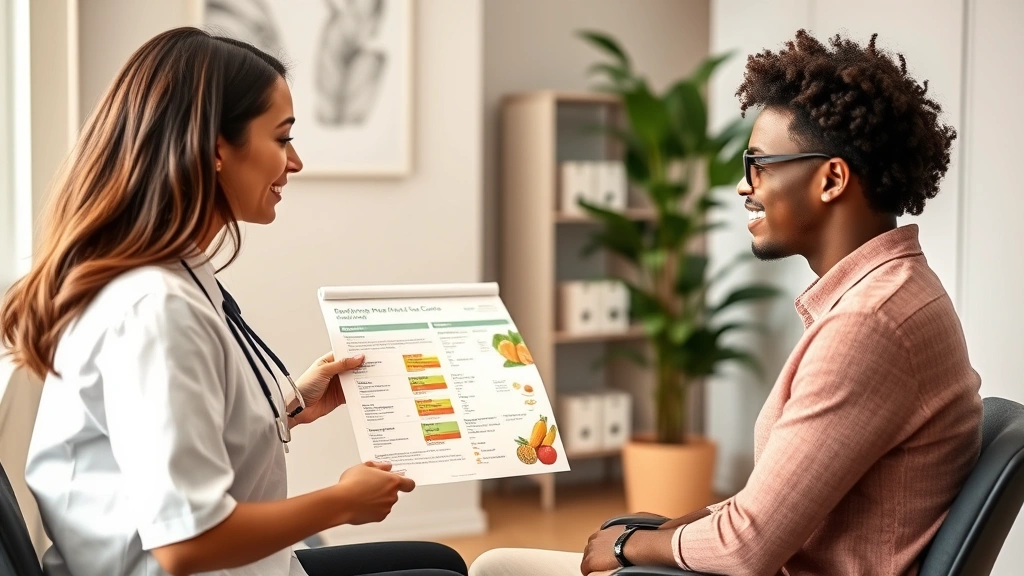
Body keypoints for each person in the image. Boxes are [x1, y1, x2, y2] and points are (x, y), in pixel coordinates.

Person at [469, 29, 983, 576]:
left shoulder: (870, 323)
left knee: (496, 567)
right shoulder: (896, 293)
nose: (745, 187)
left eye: (759, 163)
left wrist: (626, 548)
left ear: (831, 179)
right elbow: (768, 509)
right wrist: (665, 532)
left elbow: (748, 545)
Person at [0, 27, 466, 576]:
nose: (294, 163)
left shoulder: (167, 274)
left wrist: (290, 403)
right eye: (282, 138)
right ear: (218, 148)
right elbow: (186, 545)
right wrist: (342, 503)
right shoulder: (154, 306)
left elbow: (176, 425)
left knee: (438, 561)